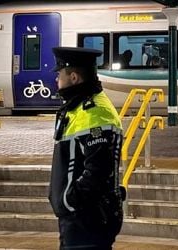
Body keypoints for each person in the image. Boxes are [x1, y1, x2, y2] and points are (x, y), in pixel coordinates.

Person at [49, 47, 126, 249]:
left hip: (88, 219)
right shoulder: (77, 107)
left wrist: (71, 201)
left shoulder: (93, 112)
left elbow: (99, 169)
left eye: (59, 75)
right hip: (79, 218)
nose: (57, 80)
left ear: (73, 77)